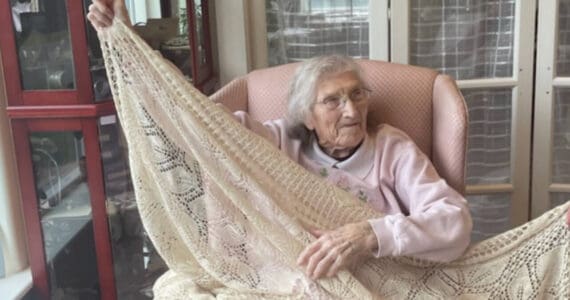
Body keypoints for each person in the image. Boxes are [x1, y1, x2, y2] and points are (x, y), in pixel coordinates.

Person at [88, 0, 473, 280]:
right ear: (306, 115)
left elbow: (455, 222)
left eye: (358, 94)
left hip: (378, 281)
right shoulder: (276, 141)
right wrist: (131, 45)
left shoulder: (392, 148)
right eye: (333, 101)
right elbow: (192, 122)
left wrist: (369, 235)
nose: (353, 111)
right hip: (287, 279)